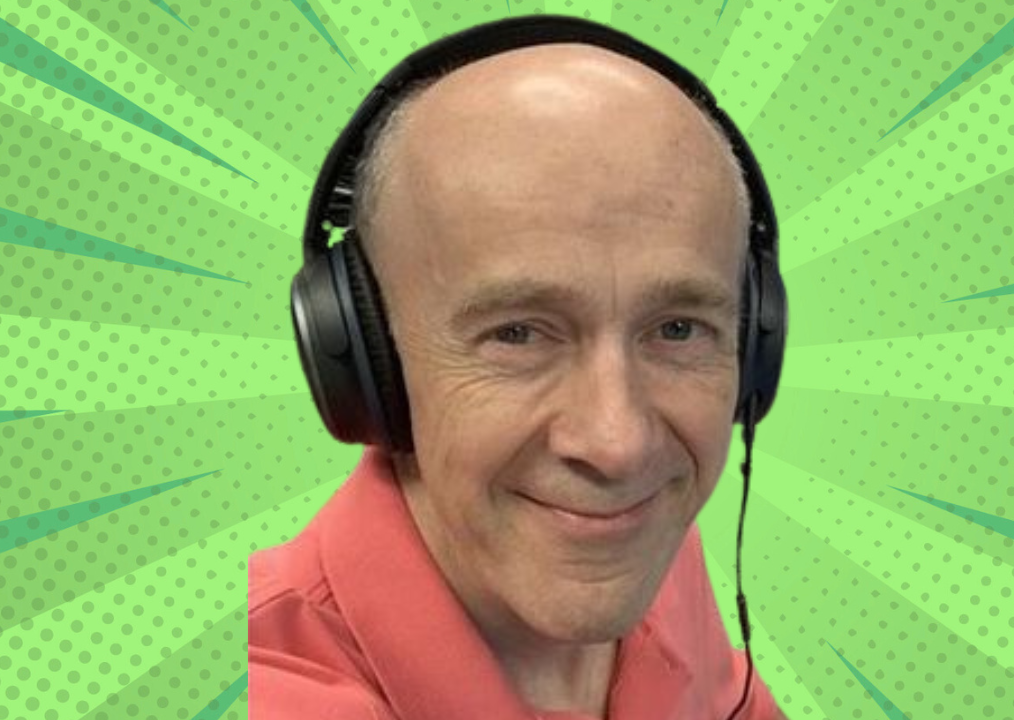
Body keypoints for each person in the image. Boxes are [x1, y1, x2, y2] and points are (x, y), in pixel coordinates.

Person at [249, 16, 787, 720]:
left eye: (677, 330)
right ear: (364, 358)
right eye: (518, 334)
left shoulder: (632, 533)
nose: (619, 445)